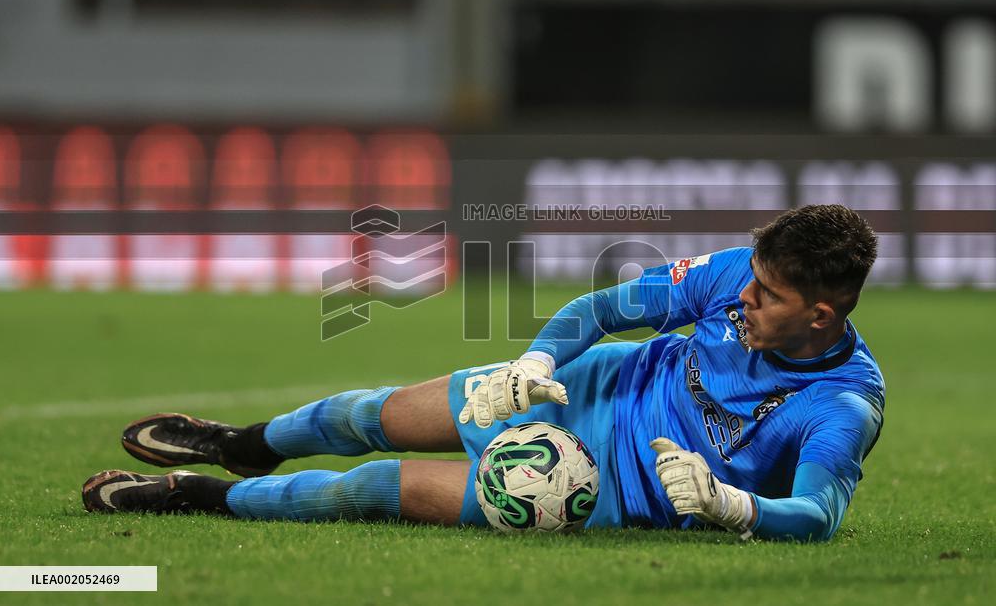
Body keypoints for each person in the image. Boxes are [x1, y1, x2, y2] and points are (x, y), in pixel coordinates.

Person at [82, 204, 884, 542]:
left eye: (769, 294)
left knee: (372, 488)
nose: (744, 295)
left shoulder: (841, 404)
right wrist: (536, 361)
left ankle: (209, 498)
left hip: (599, 487)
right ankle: (248, 443)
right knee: (373, 412)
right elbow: (603, 308)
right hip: (589, 386)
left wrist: (732, 505)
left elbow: (815, 515)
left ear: (822, 314)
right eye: (752, 277)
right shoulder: (736, 271)